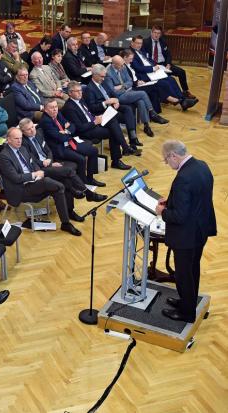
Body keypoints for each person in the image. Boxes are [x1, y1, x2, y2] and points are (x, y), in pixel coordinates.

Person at [155, 140, 216, 323]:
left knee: (183, 273)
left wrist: (163, 211)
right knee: (192, 269)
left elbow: (180, 216)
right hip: (201, 229)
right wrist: (171, 202)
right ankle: (187, 302)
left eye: (166, 160)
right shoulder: (202, 166)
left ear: (173, 155)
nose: (167, 164)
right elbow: (196, 198)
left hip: (186, 235)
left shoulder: (183, 178)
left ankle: (187, 313)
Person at [0, 127, 81, 236]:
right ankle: (73, 192)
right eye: (16, 138)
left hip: (35, 182)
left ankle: (66, 220)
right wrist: (35, 175)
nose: (19, 141)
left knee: (60, 183)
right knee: (52, 183)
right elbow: (15, 178)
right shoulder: (4, 156)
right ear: (8, 139)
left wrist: (38, 171)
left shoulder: (22, 148)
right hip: (21, 189)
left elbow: (33, 163)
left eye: (21, 138)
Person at [61, 81, 131, 170]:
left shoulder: (81, 100)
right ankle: (119, 156)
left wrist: (96, 117)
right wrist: (95, 122)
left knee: (112, 119)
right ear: (70, 93)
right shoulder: (69, 108)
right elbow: (79, 128)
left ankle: (124, 149)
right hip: (86, 131)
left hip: (93, 123)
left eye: (81, 90)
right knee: (113, 132)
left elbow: (88, 113)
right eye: (77, 91)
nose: (80, 93)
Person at [38, 99, 104, 187]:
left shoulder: (58, 114)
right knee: (81, 159)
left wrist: (66, 131)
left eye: (56, 107)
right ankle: (82, 182)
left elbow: (73, 126)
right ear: (45, 110)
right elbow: (60, 138)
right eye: (52, 108)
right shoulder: (46, 121)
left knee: (93, 150)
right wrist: (67, 132)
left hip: (69, 142)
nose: (55, 109)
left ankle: (90, 178)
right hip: (59, 148)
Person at [104, 55, 169, 137]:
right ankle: (152, 113)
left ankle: (146, 125)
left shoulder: (122, 67)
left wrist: (121, 86)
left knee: (141, 101)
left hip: (128, 91)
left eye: (123, 64)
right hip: (118, 96)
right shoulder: (108, 73)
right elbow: (112, 91)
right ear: (114, 64)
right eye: (121, 65)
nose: (123, 66)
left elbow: (130, 81)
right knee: (142, 93)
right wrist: (124, 86)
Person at [84, 64, 142, 150]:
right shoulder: (89, 88)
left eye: (104, 76)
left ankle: (133, 138)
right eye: (101, 76)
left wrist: (116, 100)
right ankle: (127, 146)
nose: (103, 79)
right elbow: (92, 108)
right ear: (95, 75)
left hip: (112, 108)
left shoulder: (103, 82)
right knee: (121, 118)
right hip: (103, 112)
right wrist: (105, 102)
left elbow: (113, 94)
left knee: (128, 109)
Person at [143, 26, 196, 100]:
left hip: (164, 64)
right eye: (155, 32)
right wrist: (154, 66)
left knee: (181, 72)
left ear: (161, 34)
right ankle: (171, 96)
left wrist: (168, 64)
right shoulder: (145, 42)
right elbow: (145, 58)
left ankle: (185, 91)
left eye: (158, 33)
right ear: (151, 33)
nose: (156, 35)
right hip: (154, 65)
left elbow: (168, 54)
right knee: (168, 79)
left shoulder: (163, 41)